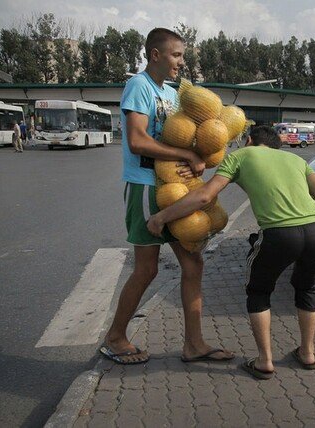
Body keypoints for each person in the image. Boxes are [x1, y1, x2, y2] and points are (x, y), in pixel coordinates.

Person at [147, 125, 315, 380]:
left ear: (249, 140)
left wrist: (162, 217)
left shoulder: (240, 156)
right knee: (308, 288)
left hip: (279, 234)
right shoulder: (295, 158)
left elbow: (204, 197)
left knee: (258, 291)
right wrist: (305, 217)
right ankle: (308, 354)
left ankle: (264, 361)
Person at [100, 27, 234, 365]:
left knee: (193, 263)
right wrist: (185, 156)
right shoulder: (139, 86)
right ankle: (115, 336)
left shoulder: (173, 95)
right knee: (146, 270)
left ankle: (194, 344)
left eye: (182, 56)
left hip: (173, 186)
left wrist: (199, 156)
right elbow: (138, 141)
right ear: (156, 54)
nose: (181, 62)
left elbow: (182, 140)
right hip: (146, 186)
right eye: (176, 55)